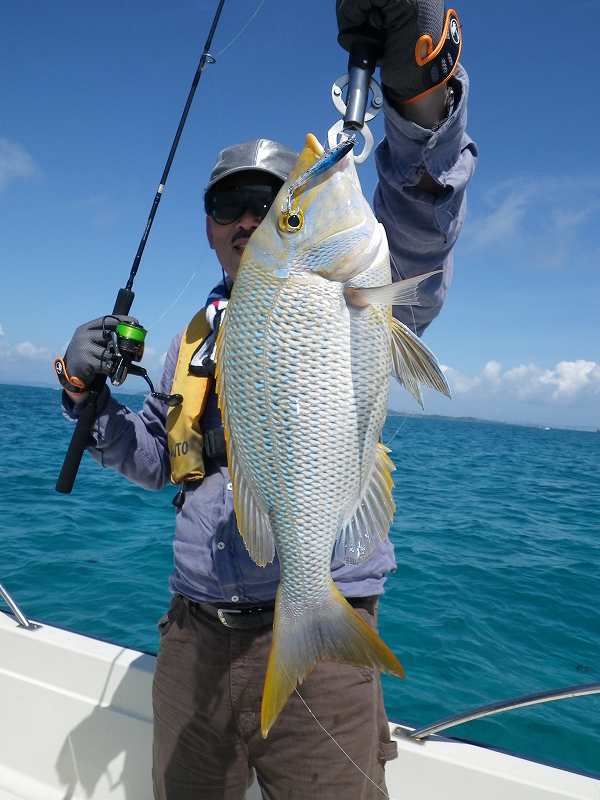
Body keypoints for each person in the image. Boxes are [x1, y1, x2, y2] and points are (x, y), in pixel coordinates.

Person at [57, 2, 477, 797]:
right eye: (229, 206)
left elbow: (422, 218)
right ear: (209, 227)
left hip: (325, 648)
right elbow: (157, 459)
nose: (249, 219)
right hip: (193, 639)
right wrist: (87, 402)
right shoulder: (193, 338)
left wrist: (420, 99)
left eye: (272, 201)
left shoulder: (358, 287)